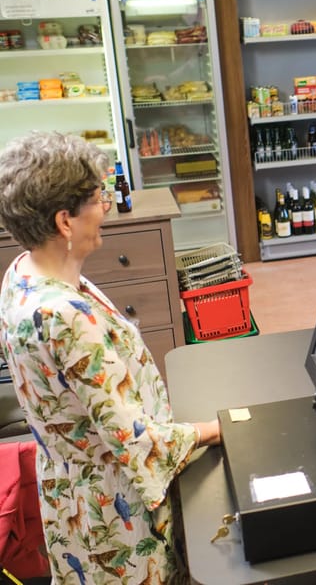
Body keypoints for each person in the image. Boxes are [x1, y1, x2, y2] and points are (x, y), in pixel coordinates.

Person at [0, 132, 221, 584]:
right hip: (113, 514)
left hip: (71, 493)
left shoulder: (23, 272)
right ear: (65, 221)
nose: (105, 208)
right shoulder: (63, 316)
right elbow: (134, 442)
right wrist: (217, 430)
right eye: (98, 197)